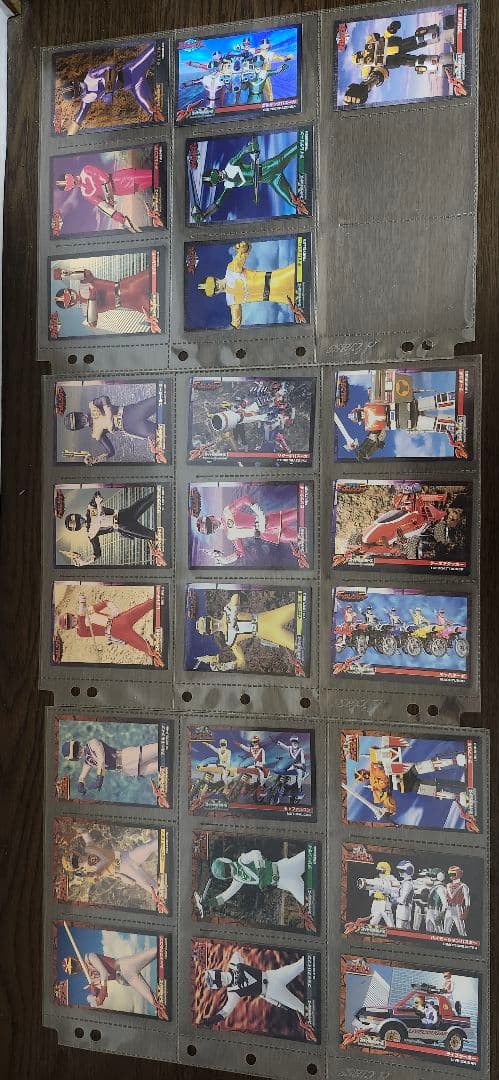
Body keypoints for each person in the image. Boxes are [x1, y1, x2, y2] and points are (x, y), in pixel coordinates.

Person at [61, 43, 164, 136]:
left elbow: (110, 68)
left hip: (132, 70)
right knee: (154, 112)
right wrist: (68, 140)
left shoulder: (91, 77)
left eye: (78, 85)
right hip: (134, 86)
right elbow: (79, 118)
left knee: (156, 47)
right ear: (77, 96)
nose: (81, 87)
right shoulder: (87, 99)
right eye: (78, 90)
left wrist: (108, 90)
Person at [194, 137, 309, 220]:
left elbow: (243, 152)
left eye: (217, 174)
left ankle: (309, 138)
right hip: (272, 180)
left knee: (298, 147)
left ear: (216, 170)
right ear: (217, 183)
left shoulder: (231, 165)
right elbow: (218, 203)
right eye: (217, 179)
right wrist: (204, 214)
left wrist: (251, 147)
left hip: (270, 167)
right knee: (295, 204)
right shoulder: (228, 184)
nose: (220, 176)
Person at [197, 240, 304, 329]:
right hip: (278, 296)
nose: (218, 287)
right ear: (215, 294)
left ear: (216, 279)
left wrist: (243, 247)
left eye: (215, 284)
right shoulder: (231, 300)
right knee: (303, 300)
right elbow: (236, 322)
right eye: (215, 290)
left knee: (303, 271)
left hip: (278, 278)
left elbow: (244, 252)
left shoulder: (231, 270)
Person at [193, 591, 298, 672]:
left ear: (210, 617)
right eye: (209, 628)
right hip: (268, 633)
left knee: (298, 607)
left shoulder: (227, 611)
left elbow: (235, 596)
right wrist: (227, 666)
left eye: (210, 622)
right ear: (210, 632)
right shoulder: (230, 640)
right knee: (297, 645)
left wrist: (233, 612)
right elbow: (242, 662)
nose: (213, 625)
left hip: (268, 618)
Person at [195, 492, 306, 566]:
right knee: (302, 538)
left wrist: (260, 514)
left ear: (211, 517)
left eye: (210, 523)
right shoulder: (230, 535)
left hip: (270, 521)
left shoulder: (227, 512)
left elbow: (245, 499)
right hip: (268, 534)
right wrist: (225, 560)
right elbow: (240, 552)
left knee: (303, 512)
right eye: (210, 529)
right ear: (212, 532)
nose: (213, 526)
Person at [201, 949, 306, 1027]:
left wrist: (239, 968)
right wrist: (211, 1020)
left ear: (219, 972)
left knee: (300, 964)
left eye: (219, 977)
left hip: (272, 976)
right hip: (271, 991)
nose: (222, 980)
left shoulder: (232, 966)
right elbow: (226, 1011)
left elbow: (237, 954)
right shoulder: (232, 992)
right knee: (300, 1007)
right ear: (220, 986)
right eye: (219, 981)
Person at [58, 592, 164, 666]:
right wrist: (82, 603)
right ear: (70, 627)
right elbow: (81, 618)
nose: (72, 620)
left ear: (71, 615)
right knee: (147, 649)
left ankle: (165, 599)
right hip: (116, 631)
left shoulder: (87, 610)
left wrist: (113, 608)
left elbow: (104, 602)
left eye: (70, 618)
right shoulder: (80, 632)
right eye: (69, 623)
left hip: (118, 619)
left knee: (147, 604)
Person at [63, 944, 167, 1017]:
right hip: (123, 979)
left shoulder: (89, 957)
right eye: (73, 969)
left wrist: (101, 994)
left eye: (73, 964)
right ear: (74, 973)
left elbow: (104, 973)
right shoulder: (90, 979)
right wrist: (95, 992)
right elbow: (104, 994)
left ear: (75, 959)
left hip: (124, 965)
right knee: (155, 1002)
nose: (75, 966)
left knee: (159, 949)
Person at [62, 829, 160, 905]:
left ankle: (167, 836)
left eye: (75, 858)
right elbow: (102, 868)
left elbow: (86, 835)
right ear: (76, 868)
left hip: (126, 856)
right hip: (125, 869)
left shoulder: (88, 848)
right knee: (153, 889)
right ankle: (161, 899)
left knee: (150, 845)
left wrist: (79, 831)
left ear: (75, 853)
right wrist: (96, 875)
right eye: (75, 864)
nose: (78, 861)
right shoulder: (89, 872)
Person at [196, 847, 307, 915]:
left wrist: (261, 873)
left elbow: (256, 853)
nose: (231, 872)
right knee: (309, 903)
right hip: (285, 882)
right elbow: (225, 896)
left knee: (311, 854)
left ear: (227, 861)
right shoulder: (238, 881)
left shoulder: (242, 860)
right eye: (228, 874)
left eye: (227, 869)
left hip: (285, 867)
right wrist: (210, 902)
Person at [63, 393, 161, 464]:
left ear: (78, 413)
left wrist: (109, 415)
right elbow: (111, 452)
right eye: (79, 423)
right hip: (131, 427)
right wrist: (96, 459)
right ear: (79, 427)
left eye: (78, 417)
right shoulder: (96, 433)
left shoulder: (93, 405)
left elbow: (104, 398)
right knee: (160, 435)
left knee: (160, 398)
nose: (82, 420)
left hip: (131, 411)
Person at [64, 489, 157, 564]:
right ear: (77, 527)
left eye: (77, 520)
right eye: (76, 523)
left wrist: (98, 500)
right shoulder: (91, 533)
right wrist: (85, 561)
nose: (80, 521)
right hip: (122, 526)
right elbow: (97, 554)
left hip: (124, 513)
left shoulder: (90, 509)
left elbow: (97, 494)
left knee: (151, 498)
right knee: (153, 535)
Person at [53, 265, 156, 331]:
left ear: (69, 290)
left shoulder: (84, 284)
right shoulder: (87, 310)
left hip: (130, 286)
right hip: (132, 302)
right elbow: (92, 323)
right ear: (70, 305)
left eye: (69, 294)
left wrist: (66, 274)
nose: (72, 297)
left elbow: (86, 273)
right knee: (158, 313)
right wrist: (92, 300)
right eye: (69, 300)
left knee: (158, 272)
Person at [55, 165, 154, 231]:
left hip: (124, 177)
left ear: (69, 175)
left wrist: (109, 200)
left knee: (154, 175)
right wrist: (121, 219)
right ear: (69, 189)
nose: (72, 183)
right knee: (153, 182)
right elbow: (102, 206)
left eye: (68, 181)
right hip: (124, 190)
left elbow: (104, 179)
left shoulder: (86, 170)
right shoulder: (85, 194)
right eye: (68, 185)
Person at [61, 735, 158, 794]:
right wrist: (80, 783)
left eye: (77, 747)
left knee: (159, 748)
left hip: (127, 757)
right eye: (76, 753)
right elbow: (83, 775)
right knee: (160, 767)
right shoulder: (88, 761)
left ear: (78, 743)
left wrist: (100, 777)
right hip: (126, 770)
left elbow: (101, 760)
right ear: (75, 758)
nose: (79, 751)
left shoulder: (93, 743)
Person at [357, 860, 398, 927]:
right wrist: (375, 894)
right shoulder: (376, 880)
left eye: (381, 871)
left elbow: (395, 892)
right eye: (379, 871)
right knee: (372, 923)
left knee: (390, 925)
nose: (380, 873)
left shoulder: (392, 880)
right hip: (376, 903)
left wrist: (387, 893)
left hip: (385, 903)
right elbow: (370, 892)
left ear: (386, 871)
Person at [444, 866, 470, 936]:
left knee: (461, 931)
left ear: (458, 873)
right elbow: (446, 899)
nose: (451, 875)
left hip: (457, 908)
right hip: (448, 909)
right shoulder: (448, 885)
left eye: (453, 873)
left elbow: (467, 902)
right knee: (445, 931)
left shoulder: (463, 886)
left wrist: (465, 913)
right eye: (450, 873)